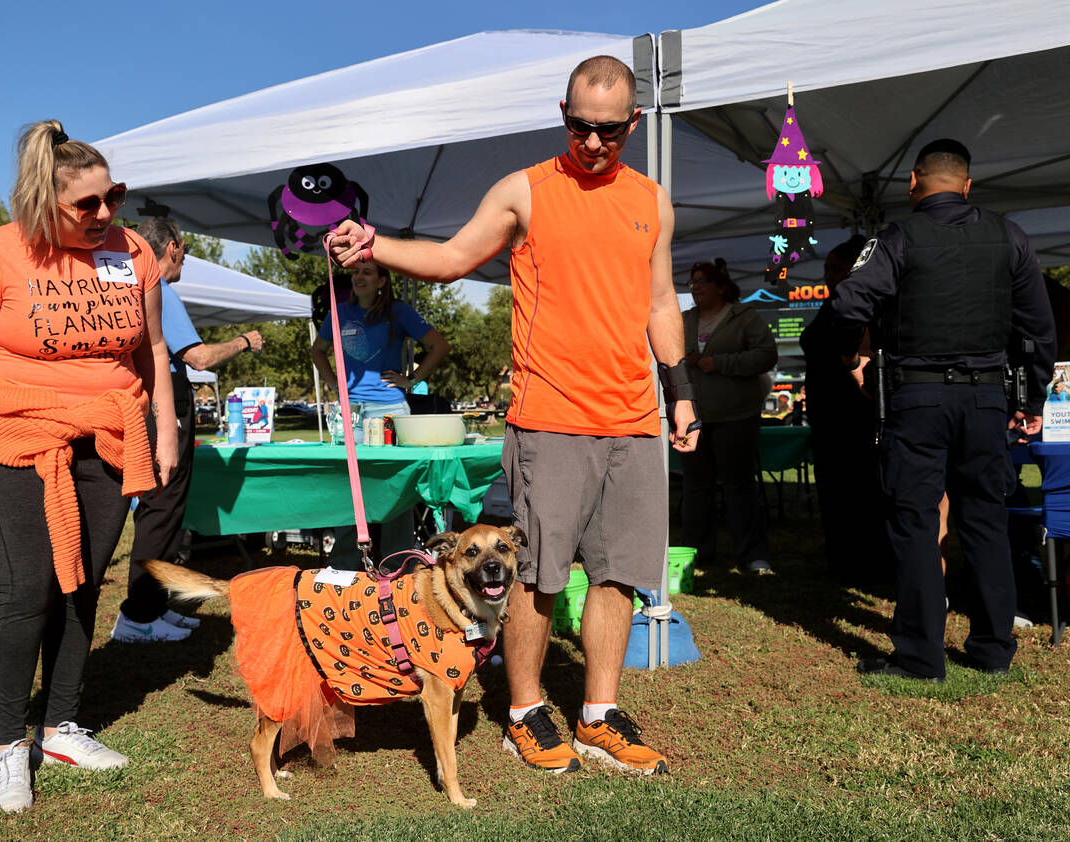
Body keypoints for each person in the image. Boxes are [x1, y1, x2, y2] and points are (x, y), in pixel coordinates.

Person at [329, 55, 700, 775]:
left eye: (610, 131)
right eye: (580, 127)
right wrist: (373, 244)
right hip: (550, 417)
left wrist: (679, 388)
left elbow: (660, 302)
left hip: (631, 417)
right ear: (563, 114)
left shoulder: (652, 199)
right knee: (538, 577)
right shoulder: (525, 190)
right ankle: (525, 713)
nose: (593, 144)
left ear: (634, 122)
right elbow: (454, 258)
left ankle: (599, 714)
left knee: (618, 574)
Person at [0, 119, 178, 812]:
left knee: (83, 584)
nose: (107, 215)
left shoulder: (133, 253)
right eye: (88, 205)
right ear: (45, 203)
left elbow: (153, 351)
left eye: (115, 197)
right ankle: (8, 745)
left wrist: (162, 432)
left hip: (110, 437)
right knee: (27, 589)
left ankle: (62, 727)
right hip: (16, 438)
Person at [830, 138, 1055, 682]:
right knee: (986, 521)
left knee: (916, 522)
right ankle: (993, 649)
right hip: (985, 400)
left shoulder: (897, 238)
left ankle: (920, 657)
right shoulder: (1010, 236)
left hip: (917, 399)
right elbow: (1038, 330)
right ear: (968, 185)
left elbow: (845, 303)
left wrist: (855, 354)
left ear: (913, 182)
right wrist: (1032, 399)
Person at [111, 216, 264, 643]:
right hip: (165, 403)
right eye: (186, 251)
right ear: (173, 246)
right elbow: (197, 358)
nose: (185, 260)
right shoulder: (159, 288)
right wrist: (244, 342)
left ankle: (153, 608)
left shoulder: (131, 289)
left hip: (148, 400)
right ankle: (139, 615)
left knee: (164, 511)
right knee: (161, 510)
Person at [310, 258, 450, 569]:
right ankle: (346, 564)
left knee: (394, 488)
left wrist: (412, 380)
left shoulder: (397, 312)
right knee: (350, 490)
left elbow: (439, 345)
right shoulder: (339, 313)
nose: (359, 277)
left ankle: (397, 564)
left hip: (390, 410)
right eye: (356, 272)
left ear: (381, 281)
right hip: (352, 412)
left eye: (367, 272)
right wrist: (333, 382)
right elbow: (317, 350)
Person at [799, 235, 892, 584]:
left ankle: (867, 564)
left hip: (856, 417)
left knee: (863, 491)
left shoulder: (866, 305)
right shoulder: (834, 304)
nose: (829, 276)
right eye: (827, 269)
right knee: (837, 492)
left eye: (838, 269)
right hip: (828, 418)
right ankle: (843, 561)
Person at [679, 259, 777, 574]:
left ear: (722, 286)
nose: (695, 288)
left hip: (737, 415)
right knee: (696, 487)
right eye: (692, 282)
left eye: (702, 282)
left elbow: (766, 356)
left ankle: (751, 555)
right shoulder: (684, 320)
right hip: (694, 416)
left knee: (739, 486)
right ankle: (696, 553)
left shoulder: (745, 317)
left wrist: (719, 363)